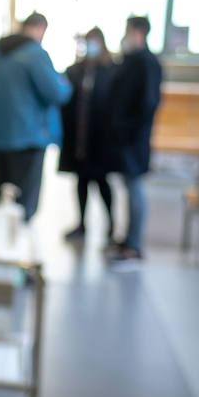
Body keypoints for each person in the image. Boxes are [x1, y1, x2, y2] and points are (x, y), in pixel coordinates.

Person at [0, 12, 72, 220]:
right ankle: (17, 240)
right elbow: (56, 92)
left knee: (2, 186)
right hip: (28, 136)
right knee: (23, 197)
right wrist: (65, 84)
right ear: (40, 29)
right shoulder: (35, 54)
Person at [104, 15, 162, 266]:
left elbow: (147, 104)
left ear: (139, 32)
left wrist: (127, 130)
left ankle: (134, 245)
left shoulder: (146, 63)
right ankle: (128, 239)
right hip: (125, 137)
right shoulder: (131, 61)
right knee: (128, 188)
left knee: (135, 188)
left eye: (129, 31)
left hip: (134, 139)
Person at [59, 27, 116, 242]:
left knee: (101, 182)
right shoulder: (76, 70)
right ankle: (82, 223)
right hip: (79, 137)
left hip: (100, 138)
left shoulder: (110, 70)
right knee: (81, 180)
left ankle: (111, 225)